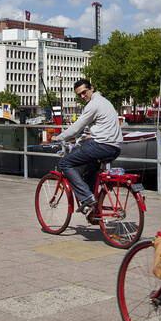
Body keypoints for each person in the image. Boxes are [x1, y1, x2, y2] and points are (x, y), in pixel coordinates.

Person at [51, 78, 124, 224]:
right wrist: (91, 136)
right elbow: (105, 125)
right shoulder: (104, 101)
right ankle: (93, 207)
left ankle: (86, 197)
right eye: (79, 95)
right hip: (114, 147)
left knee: (65, 163)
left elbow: (77, 126)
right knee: (90, 171)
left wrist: (59, 137)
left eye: (84, 92)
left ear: (91, 88)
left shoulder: (93, 105)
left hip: (102, 146)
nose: (83, 96)